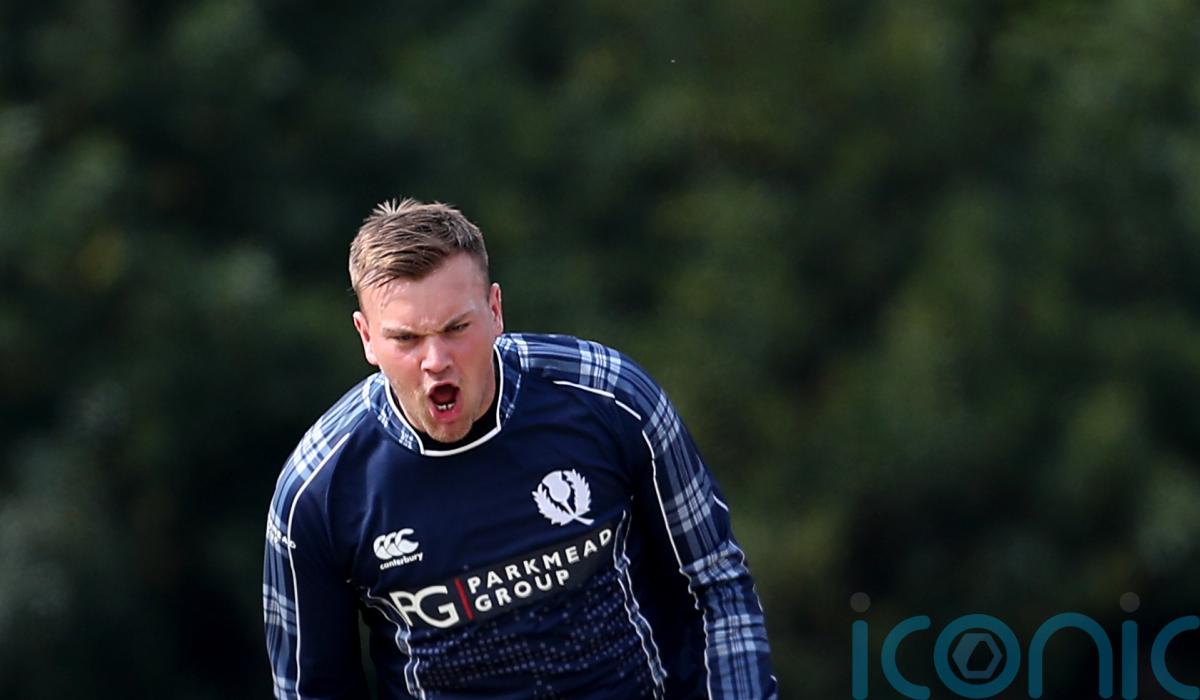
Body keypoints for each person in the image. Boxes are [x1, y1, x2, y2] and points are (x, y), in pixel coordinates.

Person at [263, 198, 777, 699]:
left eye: (456, 328)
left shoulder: (611, 398)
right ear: (367, 338)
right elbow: (313, 690)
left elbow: (713, 583)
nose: (436, 360)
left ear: (495, 310)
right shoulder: (317, 491)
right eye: (406, 340)